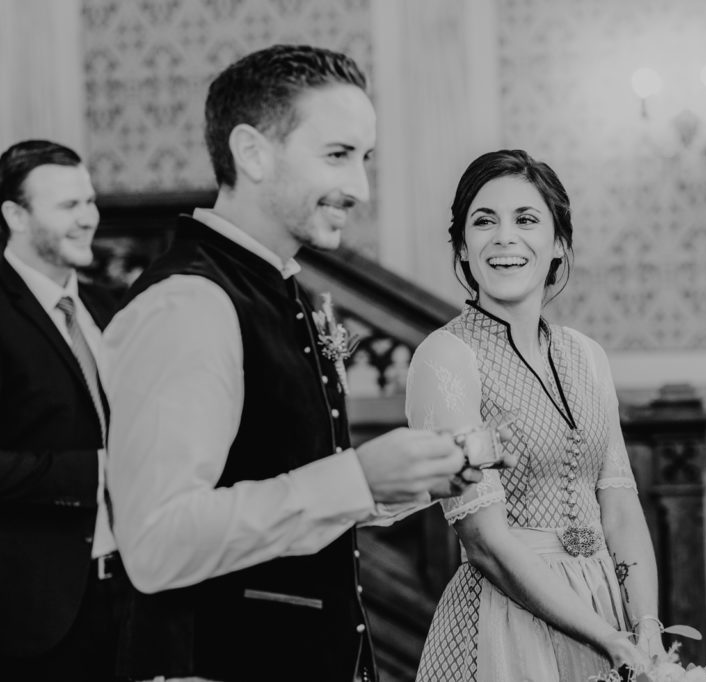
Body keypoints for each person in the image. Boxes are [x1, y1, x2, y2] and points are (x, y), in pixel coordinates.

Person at [103, 45, 488, 682]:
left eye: (364, 159)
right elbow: (156, 544)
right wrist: (357, 478)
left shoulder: (284, 290)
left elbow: (276, 476)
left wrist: (406, 481)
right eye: (337, 156)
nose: (360, 188)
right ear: (253, 152)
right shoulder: (190, 304)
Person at [407, 149, 667, 681]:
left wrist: (646, 626)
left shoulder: (587, 355)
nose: (504, 237)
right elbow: (486, 544)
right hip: (507, 624)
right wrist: (607, 639)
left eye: (526, 219)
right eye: (484, 221)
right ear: (462, 247)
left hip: (608, 608)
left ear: (558, 245)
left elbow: (618, 505)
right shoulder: (445, 357)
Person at [0, 140, 122, 680]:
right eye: (68, 207)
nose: (88, 219)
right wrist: (98, 472)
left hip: (130, 596)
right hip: (31, 613)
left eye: (90, 202)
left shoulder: (112, 306)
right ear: (15, 215)